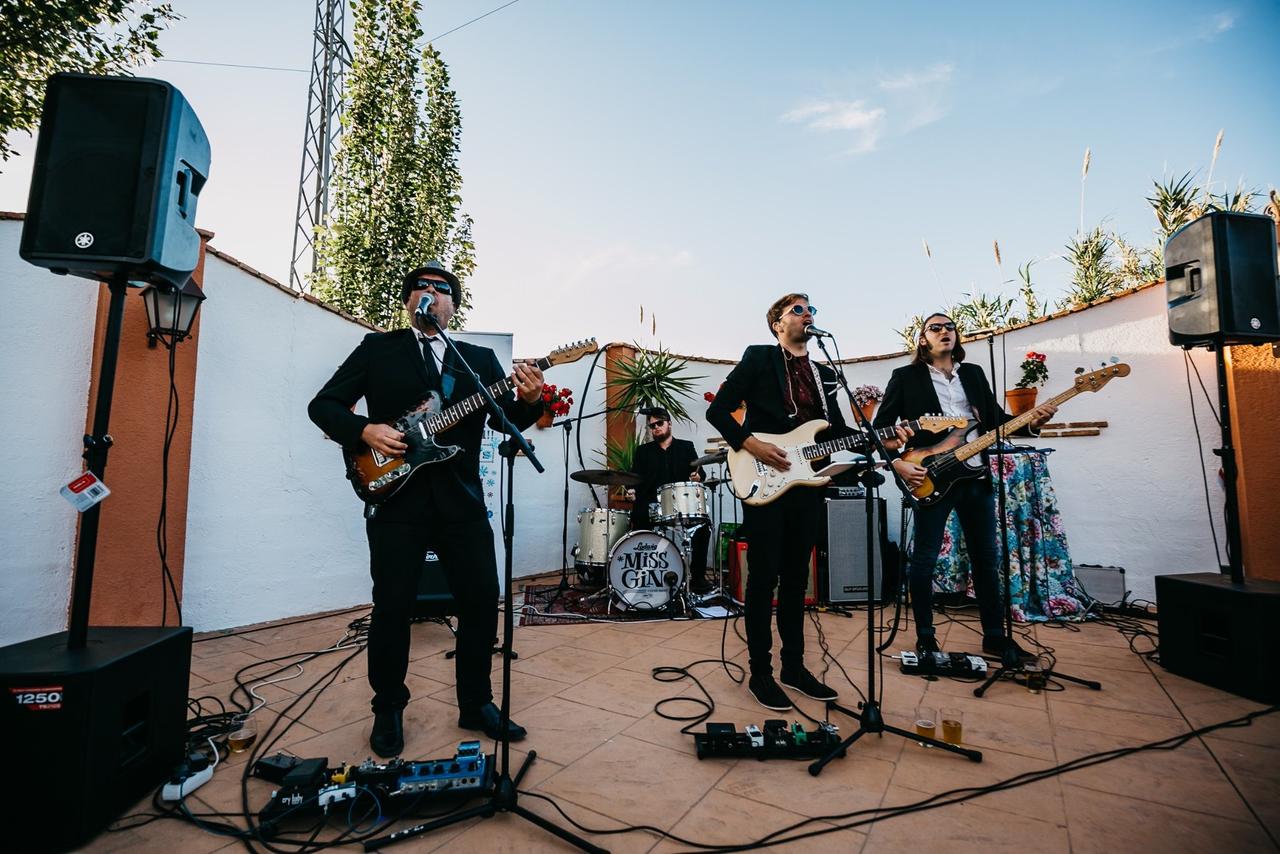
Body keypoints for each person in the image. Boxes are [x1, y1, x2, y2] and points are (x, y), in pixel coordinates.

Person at [308, 260, 544, 757]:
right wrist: (365, 430)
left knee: (482, 599)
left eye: (442, 289)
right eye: (421, 287)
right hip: (396, 499)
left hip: (461, 500)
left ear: (453, 305)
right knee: (393, 605)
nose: (431, 294)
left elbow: (506, 421)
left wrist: (530, 399)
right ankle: (388, 707)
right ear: (409, 299)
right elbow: (324, 405)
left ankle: (476, 701)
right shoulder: (379, 349)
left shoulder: (475, 358)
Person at [707, 293, 908, 711]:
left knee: (799, 579)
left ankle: (793, 667)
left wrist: (879, 441)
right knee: (763, 579)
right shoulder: (759, 357)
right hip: (763, 475)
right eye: (798, 310)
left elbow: (832, 436)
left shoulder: (823, 374)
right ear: (778, 323)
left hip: (808, 485)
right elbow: (720, 413)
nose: (808, 315)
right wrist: (754, 446)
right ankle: (760, 672)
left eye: (811, 309)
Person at [874, 312, 1056, 661]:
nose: (945, 332)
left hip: (976, 476)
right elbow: (881, 430)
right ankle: (926, 636)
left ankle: (994, 636)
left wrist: (1033, 423)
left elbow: (998, 423)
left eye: (950, 327)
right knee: (924, 559)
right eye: (936, 328)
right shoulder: (906, 377)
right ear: (923, 339)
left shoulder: (973, 374)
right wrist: (897, 463)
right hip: (932, 475)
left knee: (986, 559)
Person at [627, 407, 711, 593]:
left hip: (680, 504)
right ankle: (644, 575)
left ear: (669, 424)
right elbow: (633, 478)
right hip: (651, 503)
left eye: (659, 423)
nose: (656, 428)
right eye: (652, 426)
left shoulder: (686, 447)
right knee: (638, 519)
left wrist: (698, 477)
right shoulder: (643, 451)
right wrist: (631, 489)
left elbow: (700, 473)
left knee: (703, 527)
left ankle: (697, 577)